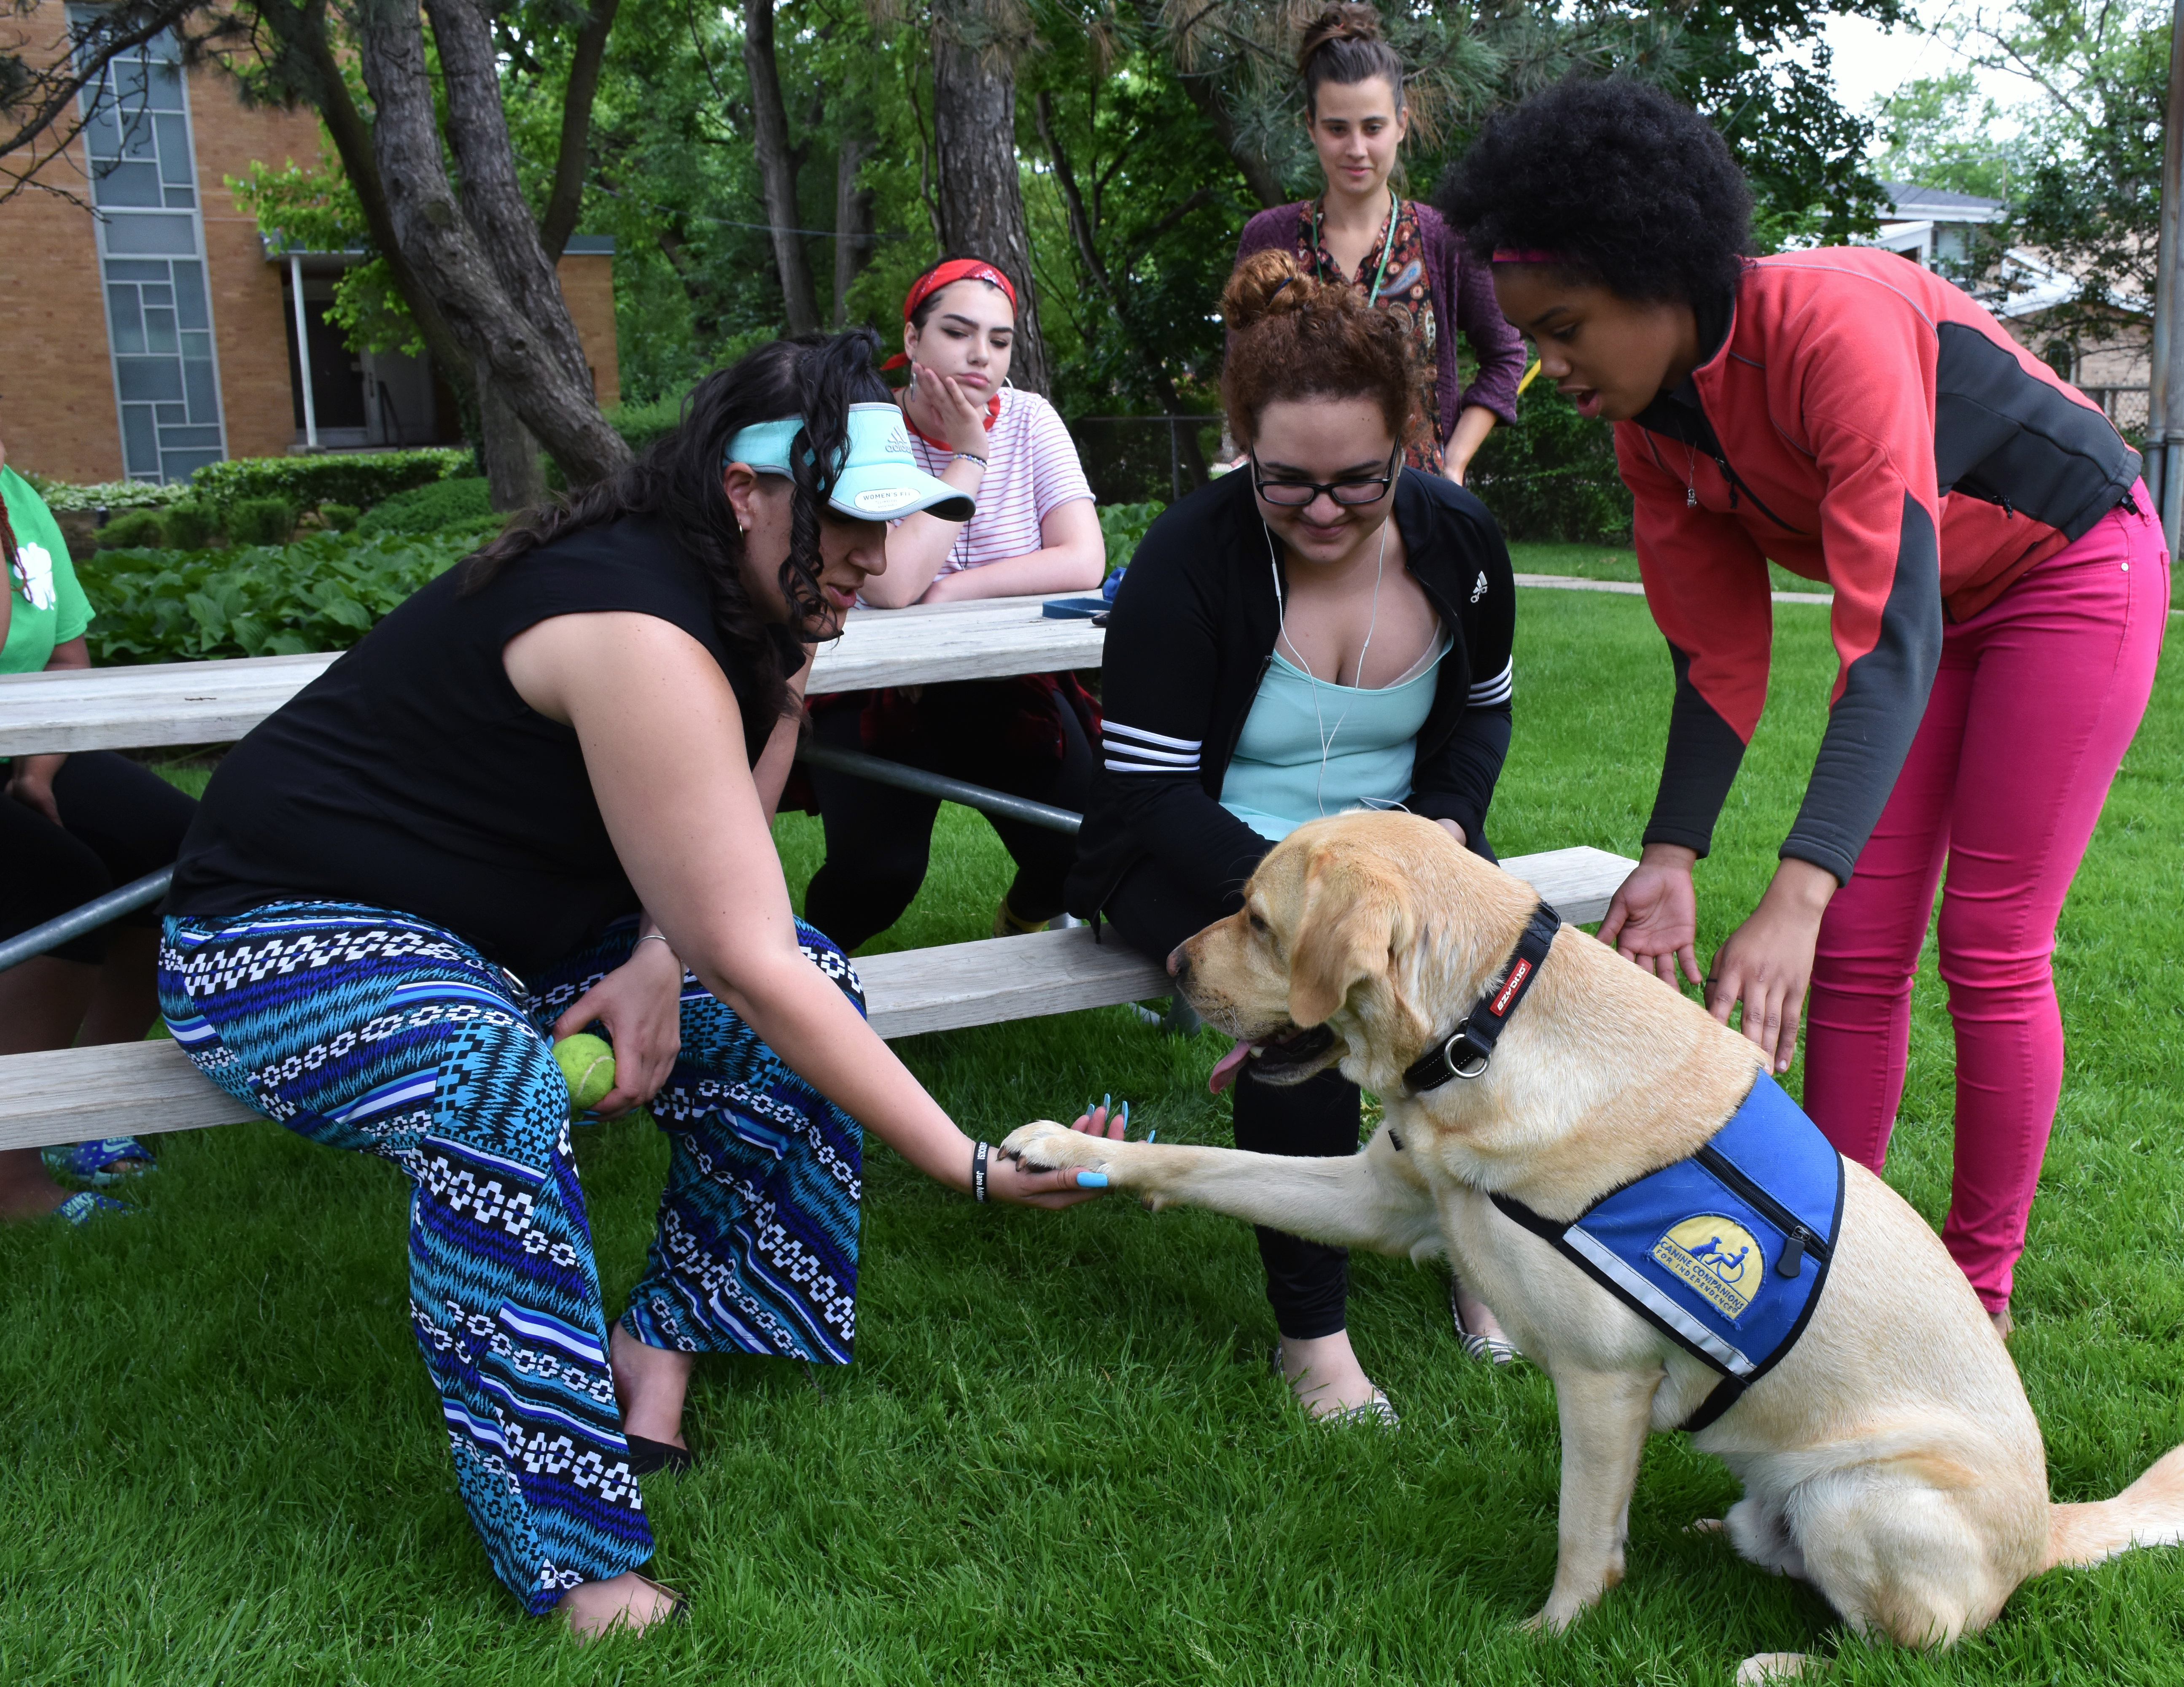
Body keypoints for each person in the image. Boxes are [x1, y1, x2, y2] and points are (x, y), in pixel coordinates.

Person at [154, 333, 1120, 1635]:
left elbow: (735, 867)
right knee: (486, 1077)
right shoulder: (629, 617)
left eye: (895, 522)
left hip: (523, 944)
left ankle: (659, 1344)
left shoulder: (763, 604)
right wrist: (968, 1163)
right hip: (282, 931)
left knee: (811, 985)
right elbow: (748, 946)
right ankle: (575, 1563)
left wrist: (659, 956)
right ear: (745, 491)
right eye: (849, 519)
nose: (874, 556)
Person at [1433, 79, 2171, 1334]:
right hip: (1925, 618)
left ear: (1654, 274)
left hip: (2068, 571)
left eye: (1566, 328)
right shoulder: (1649, 431)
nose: (1544, 367)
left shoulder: (1833, 321)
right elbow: (1714, 656)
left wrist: (1795, 883)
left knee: (1985, 945)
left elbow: (1884, 636)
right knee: (1859, 954)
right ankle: (1835, 1277)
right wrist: (1671, 852)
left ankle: (1971, 1296)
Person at [1066, 250, 1521, 1422]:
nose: (1323, 511)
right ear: (1243, 450)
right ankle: (1313, 1340)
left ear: (1412, 439)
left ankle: (1482, 1265)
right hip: (1192, 852)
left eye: (1358, 482)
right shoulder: (1187, 559)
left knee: (1491, 1014)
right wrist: (1308, 913)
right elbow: (1153, 791)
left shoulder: (1462, 545)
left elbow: (1481, 712)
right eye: (1287, 484)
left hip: (1398, 859)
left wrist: (1448, 840)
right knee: (1290, 1033)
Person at [800, 256, 1105, 950]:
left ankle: (1027, 918)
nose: (980, 356)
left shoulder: (1030, 419)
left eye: (999, 341)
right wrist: (969, 456)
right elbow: (889, 584)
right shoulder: (867, 423)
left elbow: (1084, 559)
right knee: (877, 876)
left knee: (1087, 845)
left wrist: (953, 591)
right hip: (878, 690)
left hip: (1004, 681)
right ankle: (798, 979)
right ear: (912, 341)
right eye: (958, 332)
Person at [0, 437, 198, 1223]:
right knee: (57, 882)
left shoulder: (18, 494)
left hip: (26, 744)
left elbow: (67, 660)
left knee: (188, 852)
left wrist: (38, 771)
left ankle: (91, 1102)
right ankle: (10, 1178)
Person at [1231, 4, 1524, 484]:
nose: (1357, 150)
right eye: (1337, 129)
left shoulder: (1443, 238)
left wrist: (1454, 462)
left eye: (1373, 127)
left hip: (1418, 502)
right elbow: (1240, 375)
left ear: (1402, 124)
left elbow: (1506, 354)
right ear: (1310, 126)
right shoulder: (1269, 237)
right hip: (1304, 503)